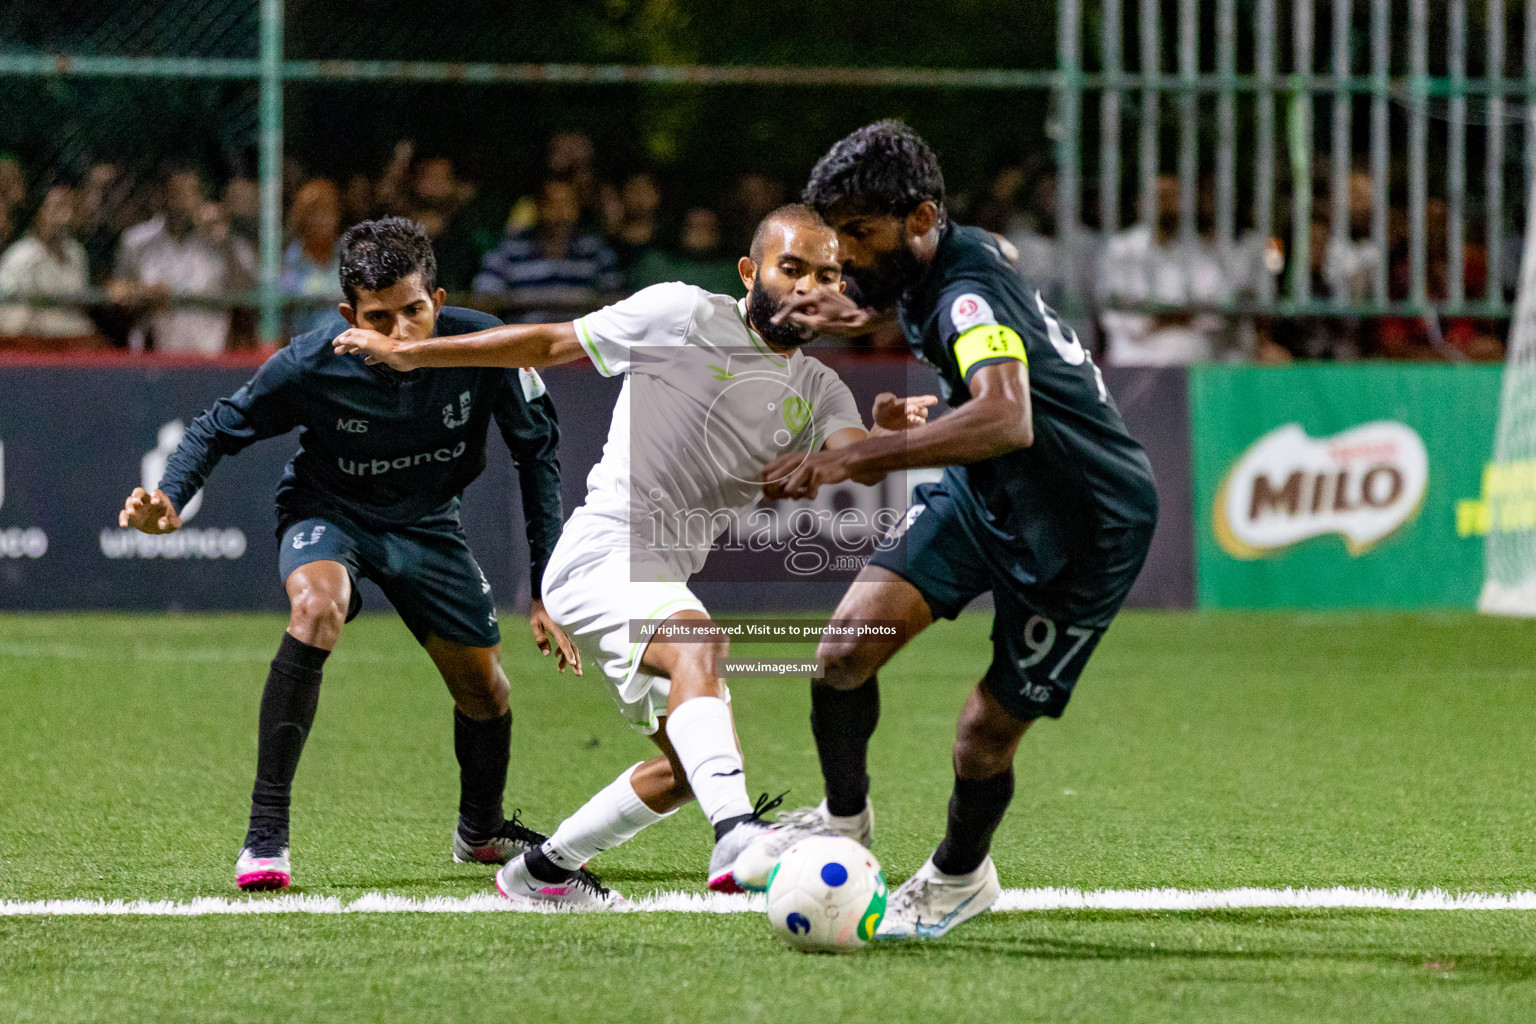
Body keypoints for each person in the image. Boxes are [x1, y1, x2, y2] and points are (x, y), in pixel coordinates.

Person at [333, 204, 933, 907]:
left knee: (686, 770)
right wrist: (413, 352)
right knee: (698, 645)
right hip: (602, 553)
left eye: (825, 275)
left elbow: (853, 462)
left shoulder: (819, 387)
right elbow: (552, 344)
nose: (807, 287)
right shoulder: (681, 315)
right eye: (790, 268)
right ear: (750, 272)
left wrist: (886, 437)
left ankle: (543, 874)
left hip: (659, 578)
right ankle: (737, 833)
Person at [732, 121, 1158, 939]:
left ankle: (962, 876)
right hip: (986, 494)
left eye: (860, 235)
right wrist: (862, 314)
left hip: (1083, 529)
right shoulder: (952, 255)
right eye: (839, 236)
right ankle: (843, 823)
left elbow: (1006, 416)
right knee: (845, 650)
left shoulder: (965, 294)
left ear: (922, 218)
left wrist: (866, 456)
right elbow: (993, 255)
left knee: (980, 739)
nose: (846, 256)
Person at [116, 217, 575, 892]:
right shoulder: (313, 361)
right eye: (379, 318)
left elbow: (537, 454)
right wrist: (170, 499)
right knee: (317, 607)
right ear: (347, 314)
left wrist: (545, 586)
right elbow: (217, 427)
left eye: (414, 312)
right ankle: (265, 835)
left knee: (486, 689)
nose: (398, 333)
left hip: (428, 526)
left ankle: (479, 830)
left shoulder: (486, 347)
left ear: (439, 302)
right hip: (330, 514)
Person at [109, 164, 256, 356]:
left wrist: (225, 241)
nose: (183, 204)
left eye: (191, 194)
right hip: (155, 356)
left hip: (209, 354)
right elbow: (117, 290)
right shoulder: (137, 241)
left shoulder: (222, 242)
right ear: (162, 196)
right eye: (177, 194)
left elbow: (251, 289)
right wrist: (144, 292)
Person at [473, 179, 622, 319]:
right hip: (524, 339)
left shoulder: (595, 251)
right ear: (538, 207)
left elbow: (614, 300)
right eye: (552, 205)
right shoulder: (511, 248)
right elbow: (485, 293)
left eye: (567, 205)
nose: (560, 214)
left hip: (577, 340)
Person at [0, 184, 96, 339]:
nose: (63, 215)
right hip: (34, 338)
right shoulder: (21, 254)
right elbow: (8, 307)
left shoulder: (76, 252)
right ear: (40, 212)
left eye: (69, 207)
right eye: (57, 207)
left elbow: (81, 302)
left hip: (73, 332)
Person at [628, 207, 742, 296]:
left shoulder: (735, 271)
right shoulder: (655, 264)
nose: (700, 233)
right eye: (693, 226)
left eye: (707, 227)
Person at [282, 178, 344, 336]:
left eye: (328, 211)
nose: (321, 220)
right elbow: (282, 323)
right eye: (313, 213)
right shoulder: (290, 262)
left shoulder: (351, 257)